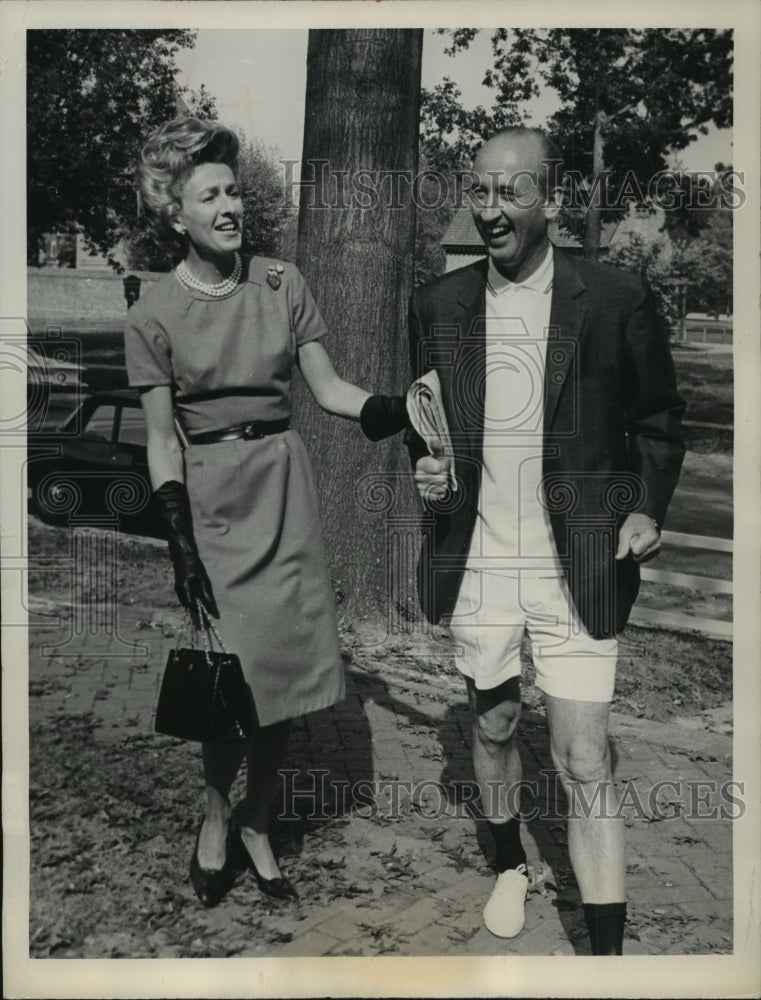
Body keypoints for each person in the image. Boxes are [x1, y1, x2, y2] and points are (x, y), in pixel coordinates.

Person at [407, 127, 685, 954]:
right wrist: (431, 476)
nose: (490, 211)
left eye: (510, 194)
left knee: (583, 757)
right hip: (483, 559)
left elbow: (657, 422)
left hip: (581, 559)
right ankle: (506, 869)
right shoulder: (438, 305)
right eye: (479, 193)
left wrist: (643, 507)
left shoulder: (613, 298)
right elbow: (429, 429)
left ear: (551, 201)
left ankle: (603, 958)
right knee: (490, 726)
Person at [125, 117, 407, 908]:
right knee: (229, 679)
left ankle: (258, 820)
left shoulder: (282, 283)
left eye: (234, 189)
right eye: (209, 194)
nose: (230, 205)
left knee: (283, 678)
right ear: (175, 214)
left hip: (285, 489)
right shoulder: (152, 312)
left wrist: (397, 410)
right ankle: (215, 820)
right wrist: (179, 539)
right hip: (211, 504)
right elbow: (159, 441)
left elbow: (330, 391)